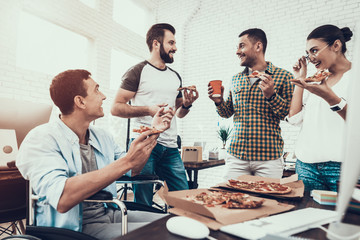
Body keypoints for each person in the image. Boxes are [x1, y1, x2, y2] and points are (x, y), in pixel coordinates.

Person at [16, 69, 174, 240]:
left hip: (110, 212)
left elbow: (133, 169)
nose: (104, 96)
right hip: (75, 229)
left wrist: (155, 131)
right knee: (163, 236)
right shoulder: (41, 138)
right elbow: (62, 198)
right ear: (80, 101)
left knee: (176, 225)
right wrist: (127, 161)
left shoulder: (102, 136)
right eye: (97, 90)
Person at [111, 23, 198, 206]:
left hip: (171, 147)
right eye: (171, 42)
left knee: (184, 198)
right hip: (145, 144)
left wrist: (187, 105)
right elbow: (116, 108)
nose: (175, 48)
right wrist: (149, 110)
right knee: (143, 203)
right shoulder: (137, 71)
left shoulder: (175, 76)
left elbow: (178, 114)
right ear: (157, 44)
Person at [208, 28, 294, 180]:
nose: (237, 52)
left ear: (258, 46)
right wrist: (219, 102)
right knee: (230, 200)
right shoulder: (236, 79)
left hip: (269, 159)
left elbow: (289, 115)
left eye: (242, 46)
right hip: (236, 157)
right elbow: (227, 113)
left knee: (266, 202)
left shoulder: (284, 76)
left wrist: (271, 95)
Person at [286, 25, 352, 191]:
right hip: (306, 167)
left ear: (336, 46)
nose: (311, 58)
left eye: (314, 50)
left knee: (346, 217)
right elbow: (294, 118)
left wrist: (329, 97)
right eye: (308, 53)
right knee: (310, 216)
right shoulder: (317, 80)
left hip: (342, 168)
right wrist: (300, 80)